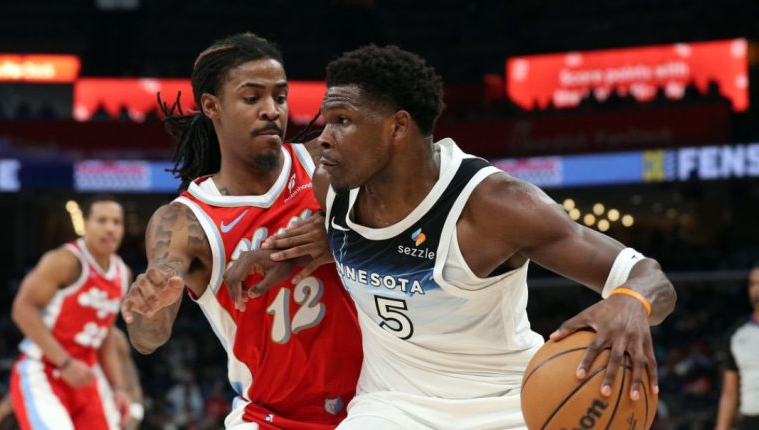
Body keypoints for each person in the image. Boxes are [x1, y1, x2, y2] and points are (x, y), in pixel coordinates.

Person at [233, 45, 677, 429]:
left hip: (504, 402)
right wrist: (288, 253)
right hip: (391, 406)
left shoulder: (494, 206)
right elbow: (371, 245)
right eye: (326, 121)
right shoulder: (332, 189)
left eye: (342, 121)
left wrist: (630, 302)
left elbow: (651, 277)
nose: (324, 139)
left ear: (398, 127)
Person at [119, 33, 362, 429]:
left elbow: (417, 221)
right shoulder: (186, 220)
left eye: (280, 97)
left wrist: (337, 233)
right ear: (211, 106)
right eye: (252, 98)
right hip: (270, 418)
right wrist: (151, 306)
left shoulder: (327, 162)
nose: (271, 111)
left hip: (373, 405)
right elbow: (148, 339)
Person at [10, 195, 131, 429]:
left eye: (117, 222)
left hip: (86, 376)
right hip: (45, 371)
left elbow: (105, 335)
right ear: (85, 224)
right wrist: (65, 363)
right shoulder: (65, 261)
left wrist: (117, 387)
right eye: (102, 220)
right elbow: (22, 308)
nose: (110, 228)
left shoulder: (122, 273)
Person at [0, 327, 143, 430]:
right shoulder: (57, 330)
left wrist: (134, 412)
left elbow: (130, 380)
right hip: (58, 400)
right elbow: (31, 383)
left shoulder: (112, 337)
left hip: (100, 406)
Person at [715, 264, 759, 430]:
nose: (757, 289)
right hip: (751, 421)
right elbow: (729, 392)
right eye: (753, 284)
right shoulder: (736, 335)